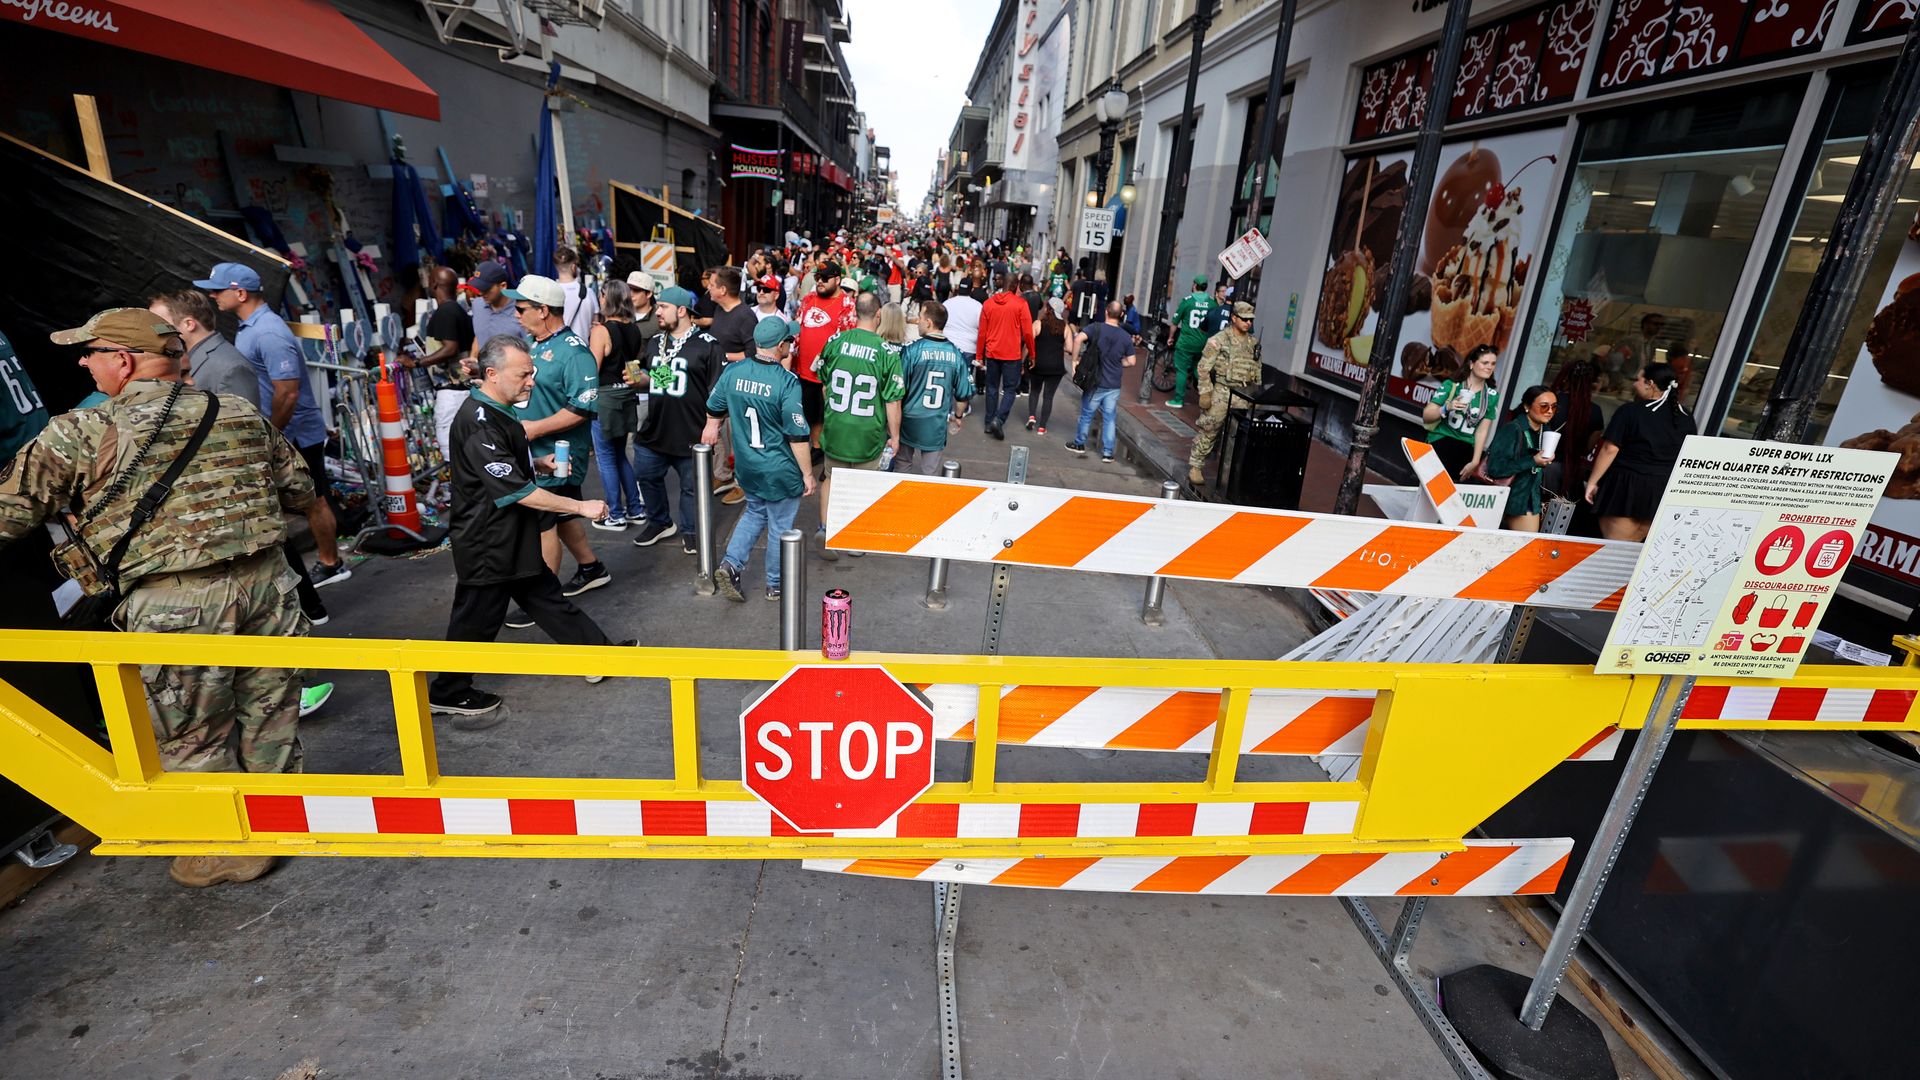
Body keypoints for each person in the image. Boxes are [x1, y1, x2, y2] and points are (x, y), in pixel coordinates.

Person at [1, 308, 315, 888]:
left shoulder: (82, 431)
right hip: (269, 587)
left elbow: (7, 514)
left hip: (176, 603)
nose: (82, 361)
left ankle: (225, 851)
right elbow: (298, 489)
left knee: (193, 732)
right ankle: (279, 825)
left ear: (122, 360)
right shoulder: (240, 412)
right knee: (269, 712)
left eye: (89, 351)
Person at [430, 334, 627, 721]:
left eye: (531, 373)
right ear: (492, 374)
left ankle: (598, 655)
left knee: (545, 596)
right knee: (476, 619)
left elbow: (505, 467)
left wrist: (540, 464)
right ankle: (448, 690)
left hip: (510, 536)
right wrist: (580, 506)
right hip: (488, 542)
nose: (531, 382)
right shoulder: (479, 420)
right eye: (523, 375)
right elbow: (517, 491)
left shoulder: (500, 410)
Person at [199, 262, 351, 597]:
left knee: (315, 500)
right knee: (307, 500)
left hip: (294, 432)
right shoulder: (251, 326)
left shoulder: (267, 332)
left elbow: (289, 392)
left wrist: (273, 433)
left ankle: (331, 564)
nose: (213, 296)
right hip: (285, 430)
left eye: (218, 290)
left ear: (239, 293)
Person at [503, 274, 609, 603]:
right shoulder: (538, 344)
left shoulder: (575, 353)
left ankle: (545, 600)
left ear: (543, 310)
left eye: (521, 308)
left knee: (542, 523)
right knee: (563, 516)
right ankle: (592, 568)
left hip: (557, 456)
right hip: (535, 452)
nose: (516, 314)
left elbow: (582, 408)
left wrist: (533, 429)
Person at [703, 317, 816, 602]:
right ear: (780, 346)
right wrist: (807, 474)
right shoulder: (787, 382)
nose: (791, 344)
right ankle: (775, 584)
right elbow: (797, 434)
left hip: (748, 464)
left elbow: (714, 406)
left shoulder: (734, 371)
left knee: (754, 512)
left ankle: (731, 563)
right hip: (779, 468)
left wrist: (712, 425)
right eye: (788, 341)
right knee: (780, 524)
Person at [628, 286, 724, 553]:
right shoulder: (656, 342)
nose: (657, 312)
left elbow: (716, 390)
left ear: (681, 311)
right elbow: (666, 379)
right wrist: (641, 380)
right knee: (646, 475)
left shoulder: (708, 345)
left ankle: (692, 529)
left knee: (692, 488)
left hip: (691, 431)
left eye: (663, 307)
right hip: (656, 427)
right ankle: (659, 522)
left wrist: (712, 424)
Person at [812, 292, 903, 561]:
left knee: (831, 478)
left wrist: (832, 411)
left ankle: (826, 529)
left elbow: (824, 383)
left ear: (855, 313)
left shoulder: (835, 341)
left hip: (838, 425)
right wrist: (894, 436)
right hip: (868, 430)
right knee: (864, 484)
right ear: (878, 316)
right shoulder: (887, 352)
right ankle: (854, 537)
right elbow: (893, 400)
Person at [1585, 362, 1695, 541]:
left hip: (1626, 486)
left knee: (1613, 550)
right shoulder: (1685, 416)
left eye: (1638, 379)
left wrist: (1592, 482)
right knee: (1635, 554)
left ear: (1650, 384)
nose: (1635, 384)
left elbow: (1609, 449)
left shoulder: (1630, 411)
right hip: (1662, 490)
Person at [588, 279, 644, 530]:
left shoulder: (601, 330)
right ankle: (635, 508)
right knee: (620, 455)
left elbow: (592, 370)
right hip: (626, 396)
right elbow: (633, 368)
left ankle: (616, 514)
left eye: (601, 295)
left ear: (607, 298)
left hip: (605, 399)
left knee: (606, 458)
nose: (599, 299)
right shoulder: (634, 329)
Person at [1187, 301, 1262, 486]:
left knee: (1237, 436)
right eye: (1244, 319)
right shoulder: (1218, 340)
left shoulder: (1253, 343)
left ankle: (1229, 474)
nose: (1248, 323)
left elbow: (1257, 369)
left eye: (1251, 320)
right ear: (1234, 318)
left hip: (1243, 394)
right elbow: (1203, 368)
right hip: (1222, 391)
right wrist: (1205, 392)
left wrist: (1256, 396)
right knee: (1209, 428)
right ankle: (1196, 466)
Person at [898, 301, 973, 475]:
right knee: (930, 473)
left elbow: (898, 388)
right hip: (936, 423)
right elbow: (963, 395)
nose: (918, 321)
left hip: (909, 419)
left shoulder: (911, 350)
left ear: (929, 322)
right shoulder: (956, 353)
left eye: (921, 317)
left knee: (902, 465)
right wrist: (958, 416)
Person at [149, 290, 260, 405]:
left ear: (189, 324)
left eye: (159, 324)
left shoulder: (232, 368)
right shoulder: (185, 356)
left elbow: (245, 420)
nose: (152, 330)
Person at [795, 261, 857, 447]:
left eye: (824, 278)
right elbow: (798, 327)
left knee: (826, 418)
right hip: (804, 371)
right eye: (817, 278)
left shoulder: (847, 304)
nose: (819, 281)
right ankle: (813, 448)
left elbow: (848, 341)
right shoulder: (809, 299)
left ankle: (822, 452)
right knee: (809, 415)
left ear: (837, 279)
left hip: (829, 375)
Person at [1067, 302, 1138, 463]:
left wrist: (1075, 360)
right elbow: (1132, 361)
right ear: (1121, 315)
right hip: (1113, 384)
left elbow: (1078, 339)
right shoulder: (1125, 336)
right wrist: (1120, 363)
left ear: (1106, 312)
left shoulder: (1095, 328)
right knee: (1109, 418)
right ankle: (1107, 452)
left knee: (1086, 414)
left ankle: (1079, 444)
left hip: (1095, 382)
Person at [1483, 385, 1559, 533]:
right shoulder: (1513, 429)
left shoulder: (1545, 431)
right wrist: (1532, 461)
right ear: (1527, 406)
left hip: (1529, 497)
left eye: (1554, 407)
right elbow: (1495, 467)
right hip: (1508, 497)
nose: (1550, 411)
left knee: (1524, 548)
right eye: (1544, 406)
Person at [1421, 343, 1499, 479]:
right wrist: (1447, 407)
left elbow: (1482, 431)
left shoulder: (1491, 396)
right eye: (1485, 362)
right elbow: (1426, 416)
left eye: (1493, 364)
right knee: (1429, 490)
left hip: (1465, 450)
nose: (1489, 367)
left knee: (1449, 495)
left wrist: (1475, 461)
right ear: (1471, 364)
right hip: (1440, 442)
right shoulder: (1451, 385)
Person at [976, 273, 1036, 439]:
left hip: (992, 352)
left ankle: (989, 422)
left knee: (992, 387)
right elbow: (1028, 333)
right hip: (1011, 354)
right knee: (1010, 389)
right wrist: (1032, 353)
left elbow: (982, 333)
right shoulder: (1020, 304)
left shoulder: (988, 304)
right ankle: (999, 419)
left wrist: (979, 355)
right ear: (1016, 285)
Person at [1168, 274, 1217, 407]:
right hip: (1203, 343)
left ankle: (1178, 400)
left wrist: (1170, 337)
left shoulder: (1187, 301)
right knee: (1198, 369)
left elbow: (1175, 322)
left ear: (1195, 285)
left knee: (1182, 370)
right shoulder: (1212, 303)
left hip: (1186, 342)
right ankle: (1207, 394)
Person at [1026, 297, 1073, 434]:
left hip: (1038, 364)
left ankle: (1031, 416)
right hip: (1055, 367)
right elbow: (1069, 348)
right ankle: (1042, 427)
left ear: (1048, 309)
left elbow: (1030, 342)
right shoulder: (1065, 327)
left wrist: (1025, 358)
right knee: (1048, 396)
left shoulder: (1038, 323)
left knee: (1034, 391)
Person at [466, 262, 522, 357]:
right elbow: (480, 334)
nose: (481, 293)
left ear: (503, 286)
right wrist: (473, 358)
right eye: (479, 288)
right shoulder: (477, 304)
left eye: (486, 288)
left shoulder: (521, 310)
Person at [554, 246, 599, 342]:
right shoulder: (589, 293)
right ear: (573, 266)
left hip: (558, 350)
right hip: (583, 349)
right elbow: (595, 325)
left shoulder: (551, 292)